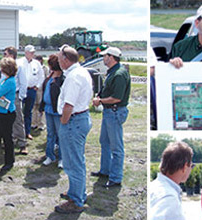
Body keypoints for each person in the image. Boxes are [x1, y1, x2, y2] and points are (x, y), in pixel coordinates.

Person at [54, 45, 92, 214]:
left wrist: (63, 121)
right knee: (77, 159)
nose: (58, 61)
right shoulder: (81, 72)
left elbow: (69, 104)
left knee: (72, 162)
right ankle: (77, 191)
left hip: (73, 121)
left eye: (60, 58)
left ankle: (76, 200)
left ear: (66, 60)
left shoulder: (73, 77)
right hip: (80, 118)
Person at [91, 47, 131, 188]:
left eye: (105, 56)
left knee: (116, 147)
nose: (103, 58)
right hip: (110, 112)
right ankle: (105, 170)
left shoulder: (119, 74)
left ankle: (115, 177)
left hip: (114, 112)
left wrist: (100, 101)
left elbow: (116, 98)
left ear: (112, 57)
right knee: (105, 142)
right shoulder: (114, 72)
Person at [149, 141, 194, 220]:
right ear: (185, 167)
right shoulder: (169, 198)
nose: (191, 169)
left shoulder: (155, 186)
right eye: (191, 166)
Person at [40, 54, 64, 168]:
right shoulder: (49, 77)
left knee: (60, 135)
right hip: (48, 109)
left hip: (57, 111)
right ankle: (49, 156)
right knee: (50, 134)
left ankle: (62, 158)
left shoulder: (62, 79)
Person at [4, 46, 28, 155]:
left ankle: (22, 143)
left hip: (15, 95)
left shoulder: (20, 66)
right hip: (5, 96)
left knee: (18, 119)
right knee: (7, 119)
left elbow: (23, 82)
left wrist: (20, 97)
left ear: (12, 55)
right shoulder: (4, 66)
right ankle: (11, 139)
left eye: (6, 54)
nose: (4, 56)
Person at [18, 45, 44, 142]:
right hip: (21, 89)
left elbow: (41, 76)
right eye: (31, 52)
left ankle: (27, 131)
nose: (33, 54)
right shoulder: (19, 62)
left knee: (28, 111)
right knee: (19, 112)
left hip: (31, 90)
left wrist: (37, 86)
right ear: (26, 52)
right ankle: (19, 131)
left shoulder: (37, 63)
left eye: (33, 52)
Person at [32, 55, 48, 131]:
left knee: (41, 108)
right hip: (34, 89)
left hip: (41, 90)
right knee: (34, 107)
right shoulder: (33, 67)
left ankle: (41, 124)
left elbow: (46, 79)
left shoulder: (45, 68)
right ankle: (34, 123)